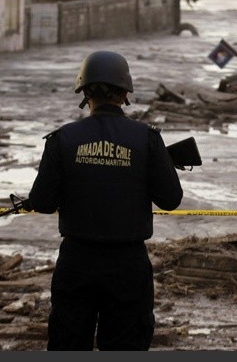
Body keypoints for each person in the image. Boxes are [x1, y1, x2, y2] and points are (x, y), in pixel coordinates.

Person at [24, 50, 184, 351]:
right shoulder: (147, 139)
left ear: (84, 92)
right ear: (125, 93)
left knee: (68, 343)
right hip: (127, 264)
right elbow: (171, 199)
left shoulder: (62, 139)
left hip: (76, 262)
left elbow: (43, 201)